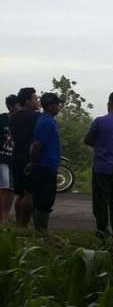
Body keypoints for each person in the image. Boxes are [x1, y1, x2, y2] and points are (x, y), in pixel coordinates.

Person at [84, 90, 113, 241]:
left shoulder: (100, 121)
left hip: (101, 167)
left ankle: (102, 232)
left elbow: (87, 140)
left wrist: (101, 146)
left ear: (109, 102)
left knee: (101, 202)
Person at [28, 92, 62, 237]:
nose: (59, 107)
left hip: (47, 165)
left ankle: (40, 230)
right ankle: (40, 232)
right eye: (57, 104)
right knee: (44, 200)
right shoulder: (46, 122)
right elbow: (36, 145)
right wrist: (35, 163)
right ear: (50, 106)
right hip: (45, 167)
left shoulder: (48, 121)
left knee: (43, 199)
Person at [9, 88, 41, 228]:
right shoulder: (35, 117)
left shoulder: (13, 117)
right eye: (35, 99)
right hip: (29, 157)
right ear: (27, 101)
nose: (37, 101)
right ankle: (24, 226)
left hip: (16, 156)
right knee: (29, 194)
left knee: (19, 194)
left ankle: (18, 224)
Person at [0, 95, 16, 222]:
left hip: (14, 158)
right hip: (2, 158)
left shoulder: (20, 120)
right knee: (4, 186)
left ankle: (6, 214)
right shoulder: (2, 119)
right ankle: (2, 215)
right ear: (11, 106)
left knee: (11, 188)